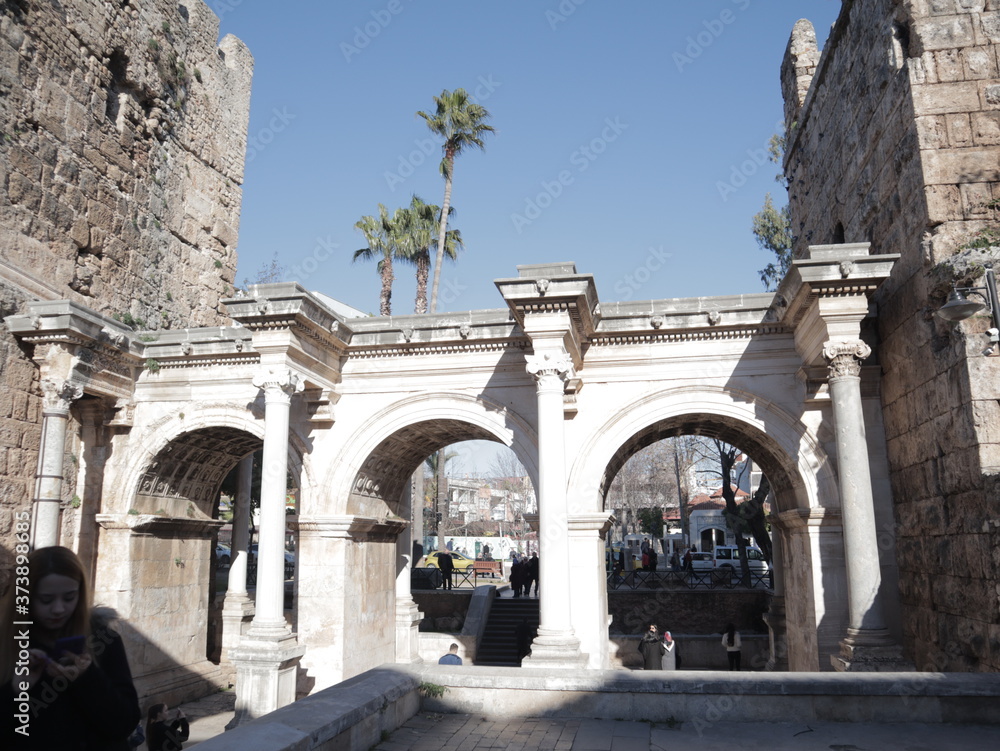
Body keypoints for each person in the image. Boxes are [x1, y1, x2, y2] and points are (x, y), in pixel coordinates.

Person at [0, 545, 141, 750]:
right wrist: (16, 691)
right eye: (46, 600)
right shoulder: (6, 644)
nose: (58, 609)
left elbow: (124, 724)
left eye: (69, 598)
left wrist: (88, 678)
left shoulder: (104, 640)